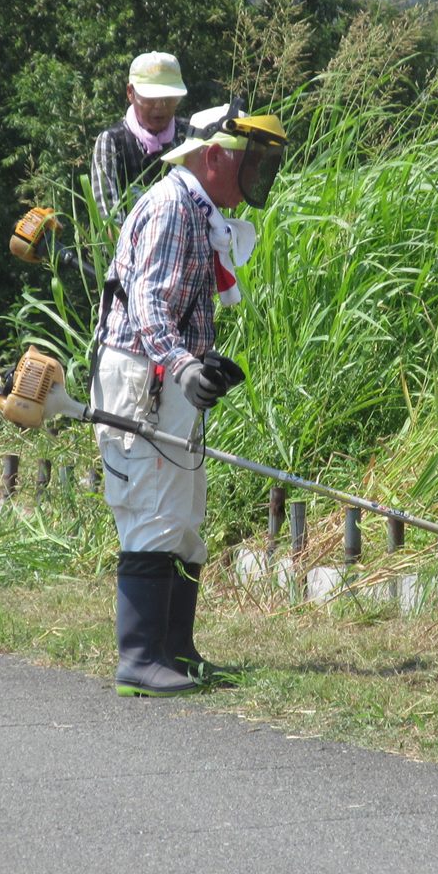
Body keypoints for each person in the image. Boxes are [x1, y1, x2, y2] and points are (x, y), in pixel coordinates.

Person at [91, 100, 287, 697]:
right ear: (212, 158)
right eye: (250, 162)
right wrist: (182, 366)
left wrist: (203, 364)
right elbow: (150, 305)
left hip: (164, 379)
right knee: (151, 510)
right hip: (142, 382)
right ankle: (140, 657)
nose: (258, 175)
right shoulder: (174, 206)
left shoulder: (195, 208)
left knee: (182, 516)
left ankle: (176, 649)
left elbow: (174, 307)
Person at [89, 51, 193, 223]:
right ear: (130, 93)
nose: (160, 106)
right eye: (151, 98)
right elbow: (108, 217)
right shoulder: (112, 141)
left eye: (169, 98)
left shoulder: (190, 135)